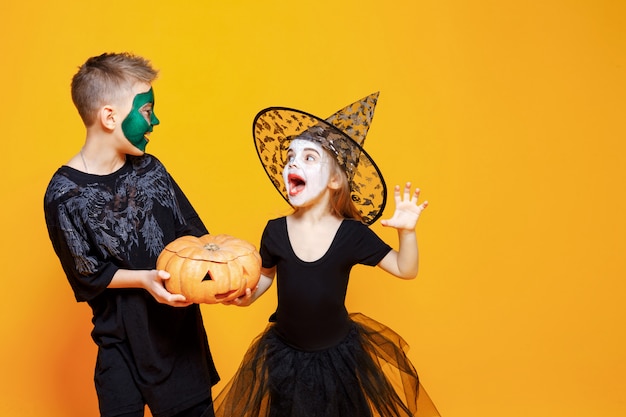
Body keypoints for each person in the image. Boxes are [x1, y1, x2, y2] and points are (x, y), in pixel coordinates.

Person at [214, 93, 440, 417]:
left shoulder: (351, 234)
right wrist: (243, 295)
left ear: (335, 180)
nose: (293, 162)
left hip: (337, 359)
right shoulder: (275, 230)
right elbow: (263, 279)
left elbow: (406, 269)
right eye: (290, 156)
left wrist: (407, 232)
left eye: (308, 158)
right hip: (285, 355)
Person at [43, 52, 218, 417]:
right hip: (119, 346)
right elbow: (87, 273)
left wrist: (223, 276)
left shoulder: (152, 170)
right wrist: (144, 280)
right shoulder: (64, 195)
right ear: (109, 117)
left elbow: (193, 236)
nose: (155, 120)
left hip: (180, 343)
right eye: (146, 110)